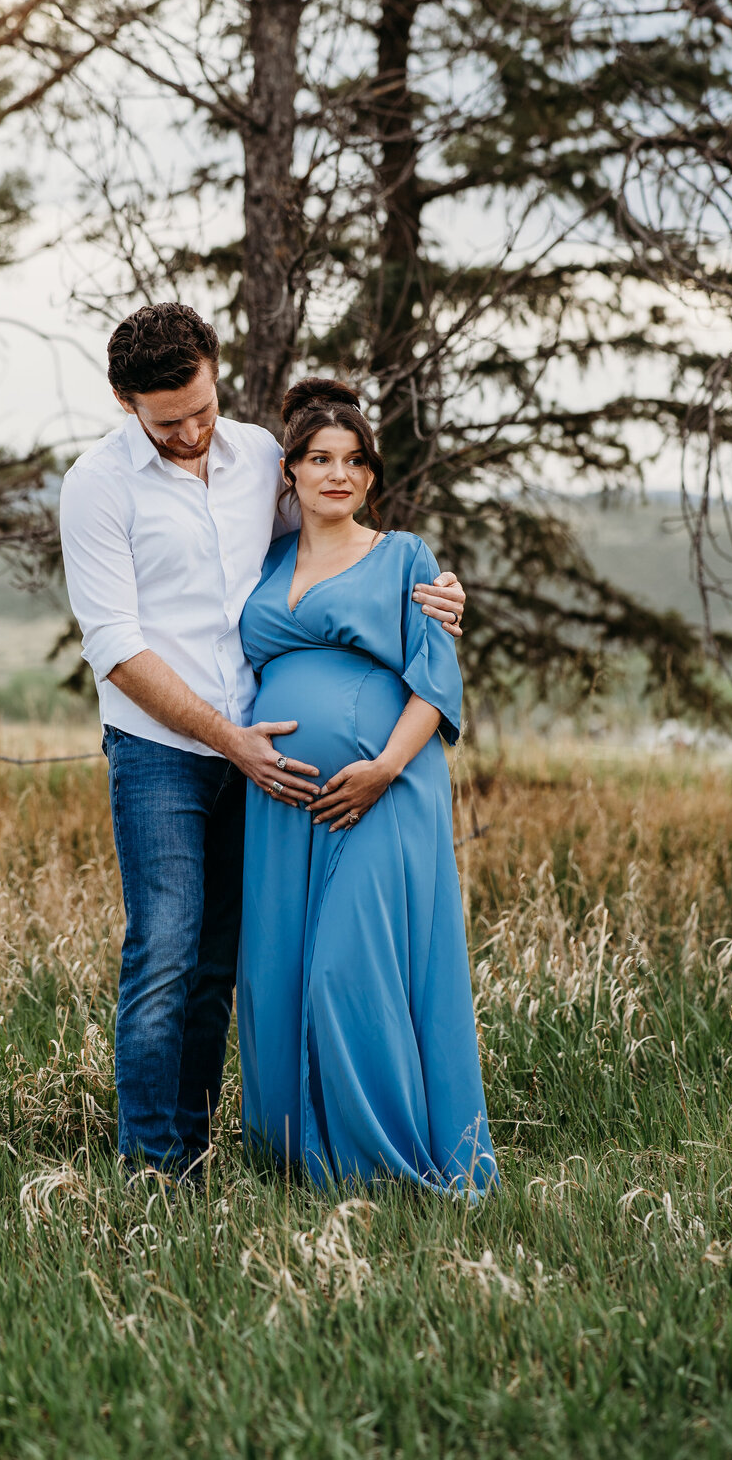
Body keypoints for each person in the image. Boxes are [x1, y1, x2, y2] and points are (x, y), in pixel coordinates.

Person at [59, 304, 467, 1177]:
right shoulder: (98, 485)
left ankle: (196, 1153)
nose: (192, 432)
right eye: (169, 421)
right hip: (163, 751)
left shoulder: (254, 459)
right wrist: (227, 739)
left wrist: (434, 592)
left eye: (202, 409)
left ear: (214, 373)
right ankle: (151, 1171)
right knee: (165, 949)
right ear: (126, 401)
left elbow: (334, 549)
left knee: (223, 965)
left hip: (265, 763)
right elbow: (115, 646)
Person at [237, 378, 497, 1194]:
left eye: (353, 461)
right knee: (279, 968)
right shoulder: (264, 558)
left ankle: (380, 1167)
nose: (337, 474)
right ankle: (292, 1154)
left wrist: (384, 767)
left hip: (385, 789)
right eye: (319, 458)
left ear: (371, 476)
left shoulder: (405, 557)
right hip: (281, 802)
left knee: (351, 970)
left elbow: (436, 681)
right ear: (292, 471)